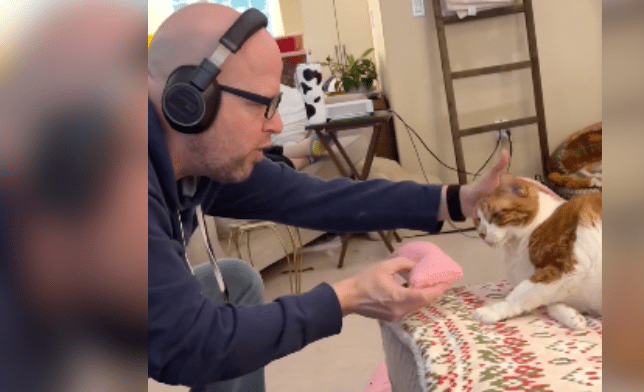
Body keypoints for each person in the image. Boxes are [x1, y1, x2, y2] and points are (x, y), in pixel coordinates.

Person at [147, 4, 507, 391]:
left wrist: (456, 200)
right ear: (189, 100)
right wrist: (346, 296)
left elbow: (316, 197)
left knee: (235, 282)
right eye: (260, 105)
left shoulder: (198, 158)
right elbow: (189, 344)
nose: (277, 124)